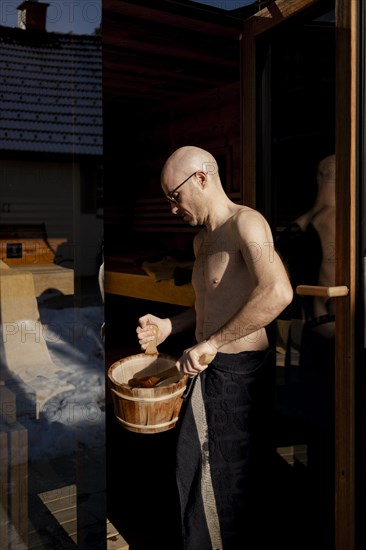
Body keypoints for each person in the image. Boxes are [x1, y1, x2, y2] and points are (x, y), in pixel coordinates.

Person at [136, 146, 293, 549]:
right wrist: (170, 325)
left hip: (238, 376)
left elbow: (278, 292)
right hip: (209, 369)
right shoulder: (201, 242)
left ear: (201, 179)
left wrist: (213, 343)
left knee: (221, 482)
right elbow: (209, 305)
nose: (173, 209)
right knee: (196, 472)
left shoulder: (247, 224)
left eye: (175, 197)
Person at [276, 153, 336, 549]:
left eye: (328, 174)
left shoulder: (328, 219)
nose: (323, 180)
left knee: (314, 414)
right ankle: (307, 491)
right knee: (300, 408)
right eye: (320, 173)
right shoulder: (312, 221)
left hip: (328, 333)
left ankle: (319, 492)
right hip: (309, 330)